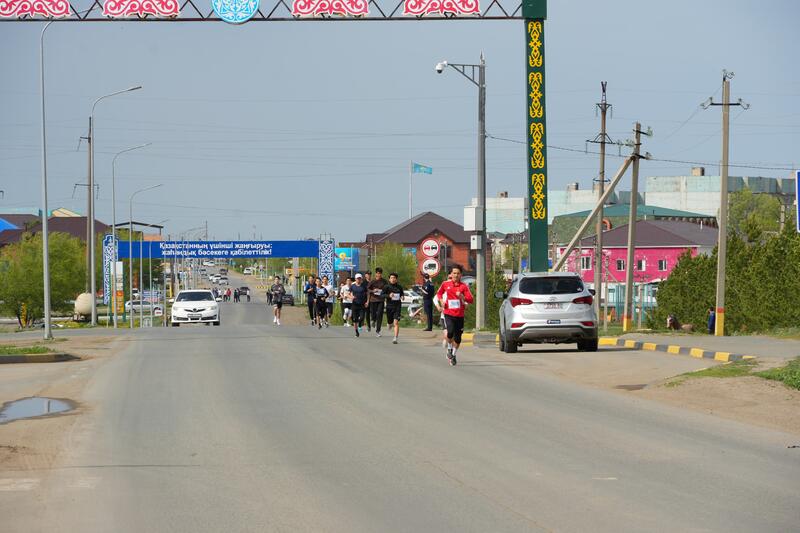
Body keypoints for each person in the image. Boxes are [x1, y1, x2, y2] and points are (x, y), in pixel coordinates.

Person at [435, 265, 474, 366]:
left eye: (458, 273)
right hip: (448, 313)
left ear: (461, 275)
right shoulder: (445, 284)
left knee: (458, 338)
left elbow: (471, 299)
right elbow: (439, 294)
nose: (456, 275)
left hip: (460, 315)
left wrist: (462, 297)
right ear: (451, 274)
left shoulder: (464, 286)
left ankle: (453, 354)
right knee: (450, 332)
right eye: (454, 273)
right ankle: (449, 348)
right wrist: (441, 301)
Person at [367, 267, 388, 338]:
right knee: (373, 314)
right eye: (378, 273)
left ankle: (378, 331)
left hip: (381, 300)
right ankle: (373, 320)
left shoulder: (384, 281)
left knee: (379, 315)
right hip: (373, 300)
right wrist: (373, 291)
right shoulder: (372, 281)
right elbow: (368, 289)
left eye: (380, 273)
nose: (379, 275)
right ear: (376, 273)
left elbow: (387, 289)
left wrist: (383, 291)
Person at [384, 272, 404, 344]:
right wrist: (388, 295)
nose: (393, 279)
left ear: (396, 279)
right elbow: (381, 295)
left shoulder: (399, 287)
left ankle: (395, 338)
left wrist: (402, 296)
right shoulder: (386, 287)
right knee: (390, 322)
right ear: (389, 279)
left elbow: (402, 294)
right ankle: (389, 324)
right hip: (389, 306)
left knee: (396, 322)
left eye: (394, 278)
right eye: (391, 278)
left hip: (397, 306)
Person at [350, 273, 368, 337]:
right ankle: (356, 332)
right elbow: (349, 293)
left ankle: (360, 324)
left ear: (361, 279)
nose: (358, 279)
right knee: (355, 319)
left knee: (362, 317)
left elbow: (368, 294)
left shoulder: (364, 286)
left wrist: (367, 302)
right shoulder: (353, 286)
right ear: (355, 279)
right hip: (355, 304)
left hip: (362, 304)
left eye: (360, 278)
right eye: (357, 278)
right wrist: (351, 297)